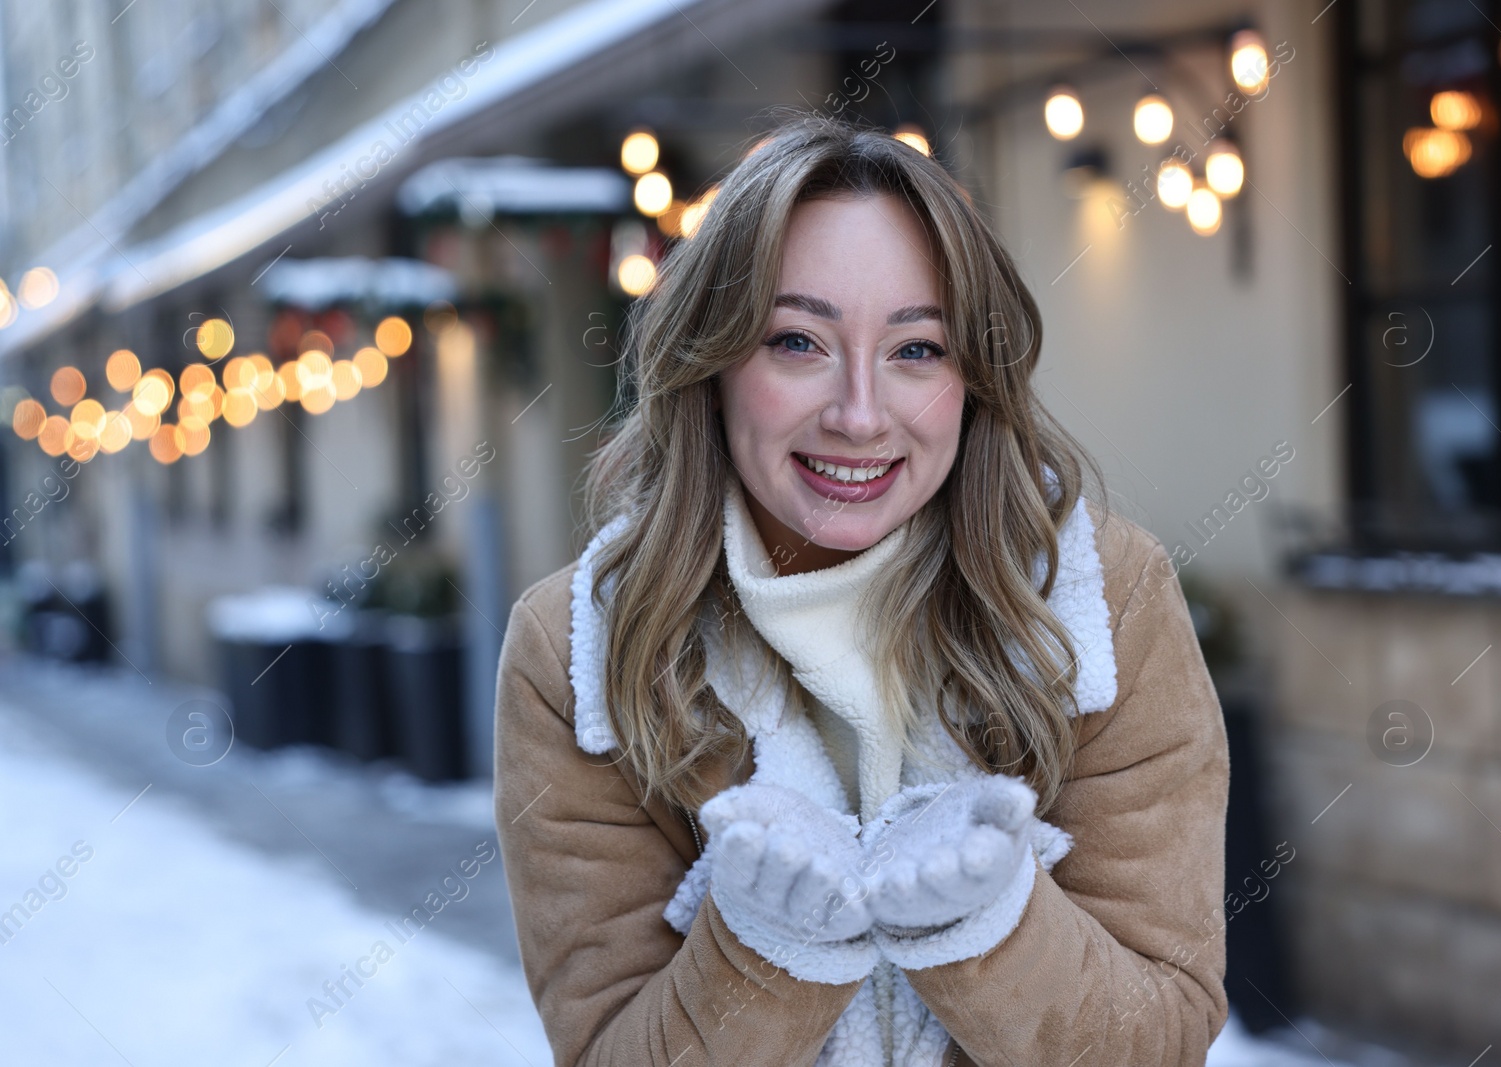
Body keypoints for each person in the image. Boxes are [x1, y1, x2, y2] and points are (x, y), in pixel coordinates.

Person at [493, 113, 1230, 1067]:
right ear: (711, 363)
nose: (858, 413)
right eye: (797, 341)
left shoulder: (1098, 603)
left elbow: (1160, 1037)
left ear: (976, 378)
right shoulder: (581, 647)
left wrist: (992, 930)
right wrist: (769, 945)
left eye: (916, 349)